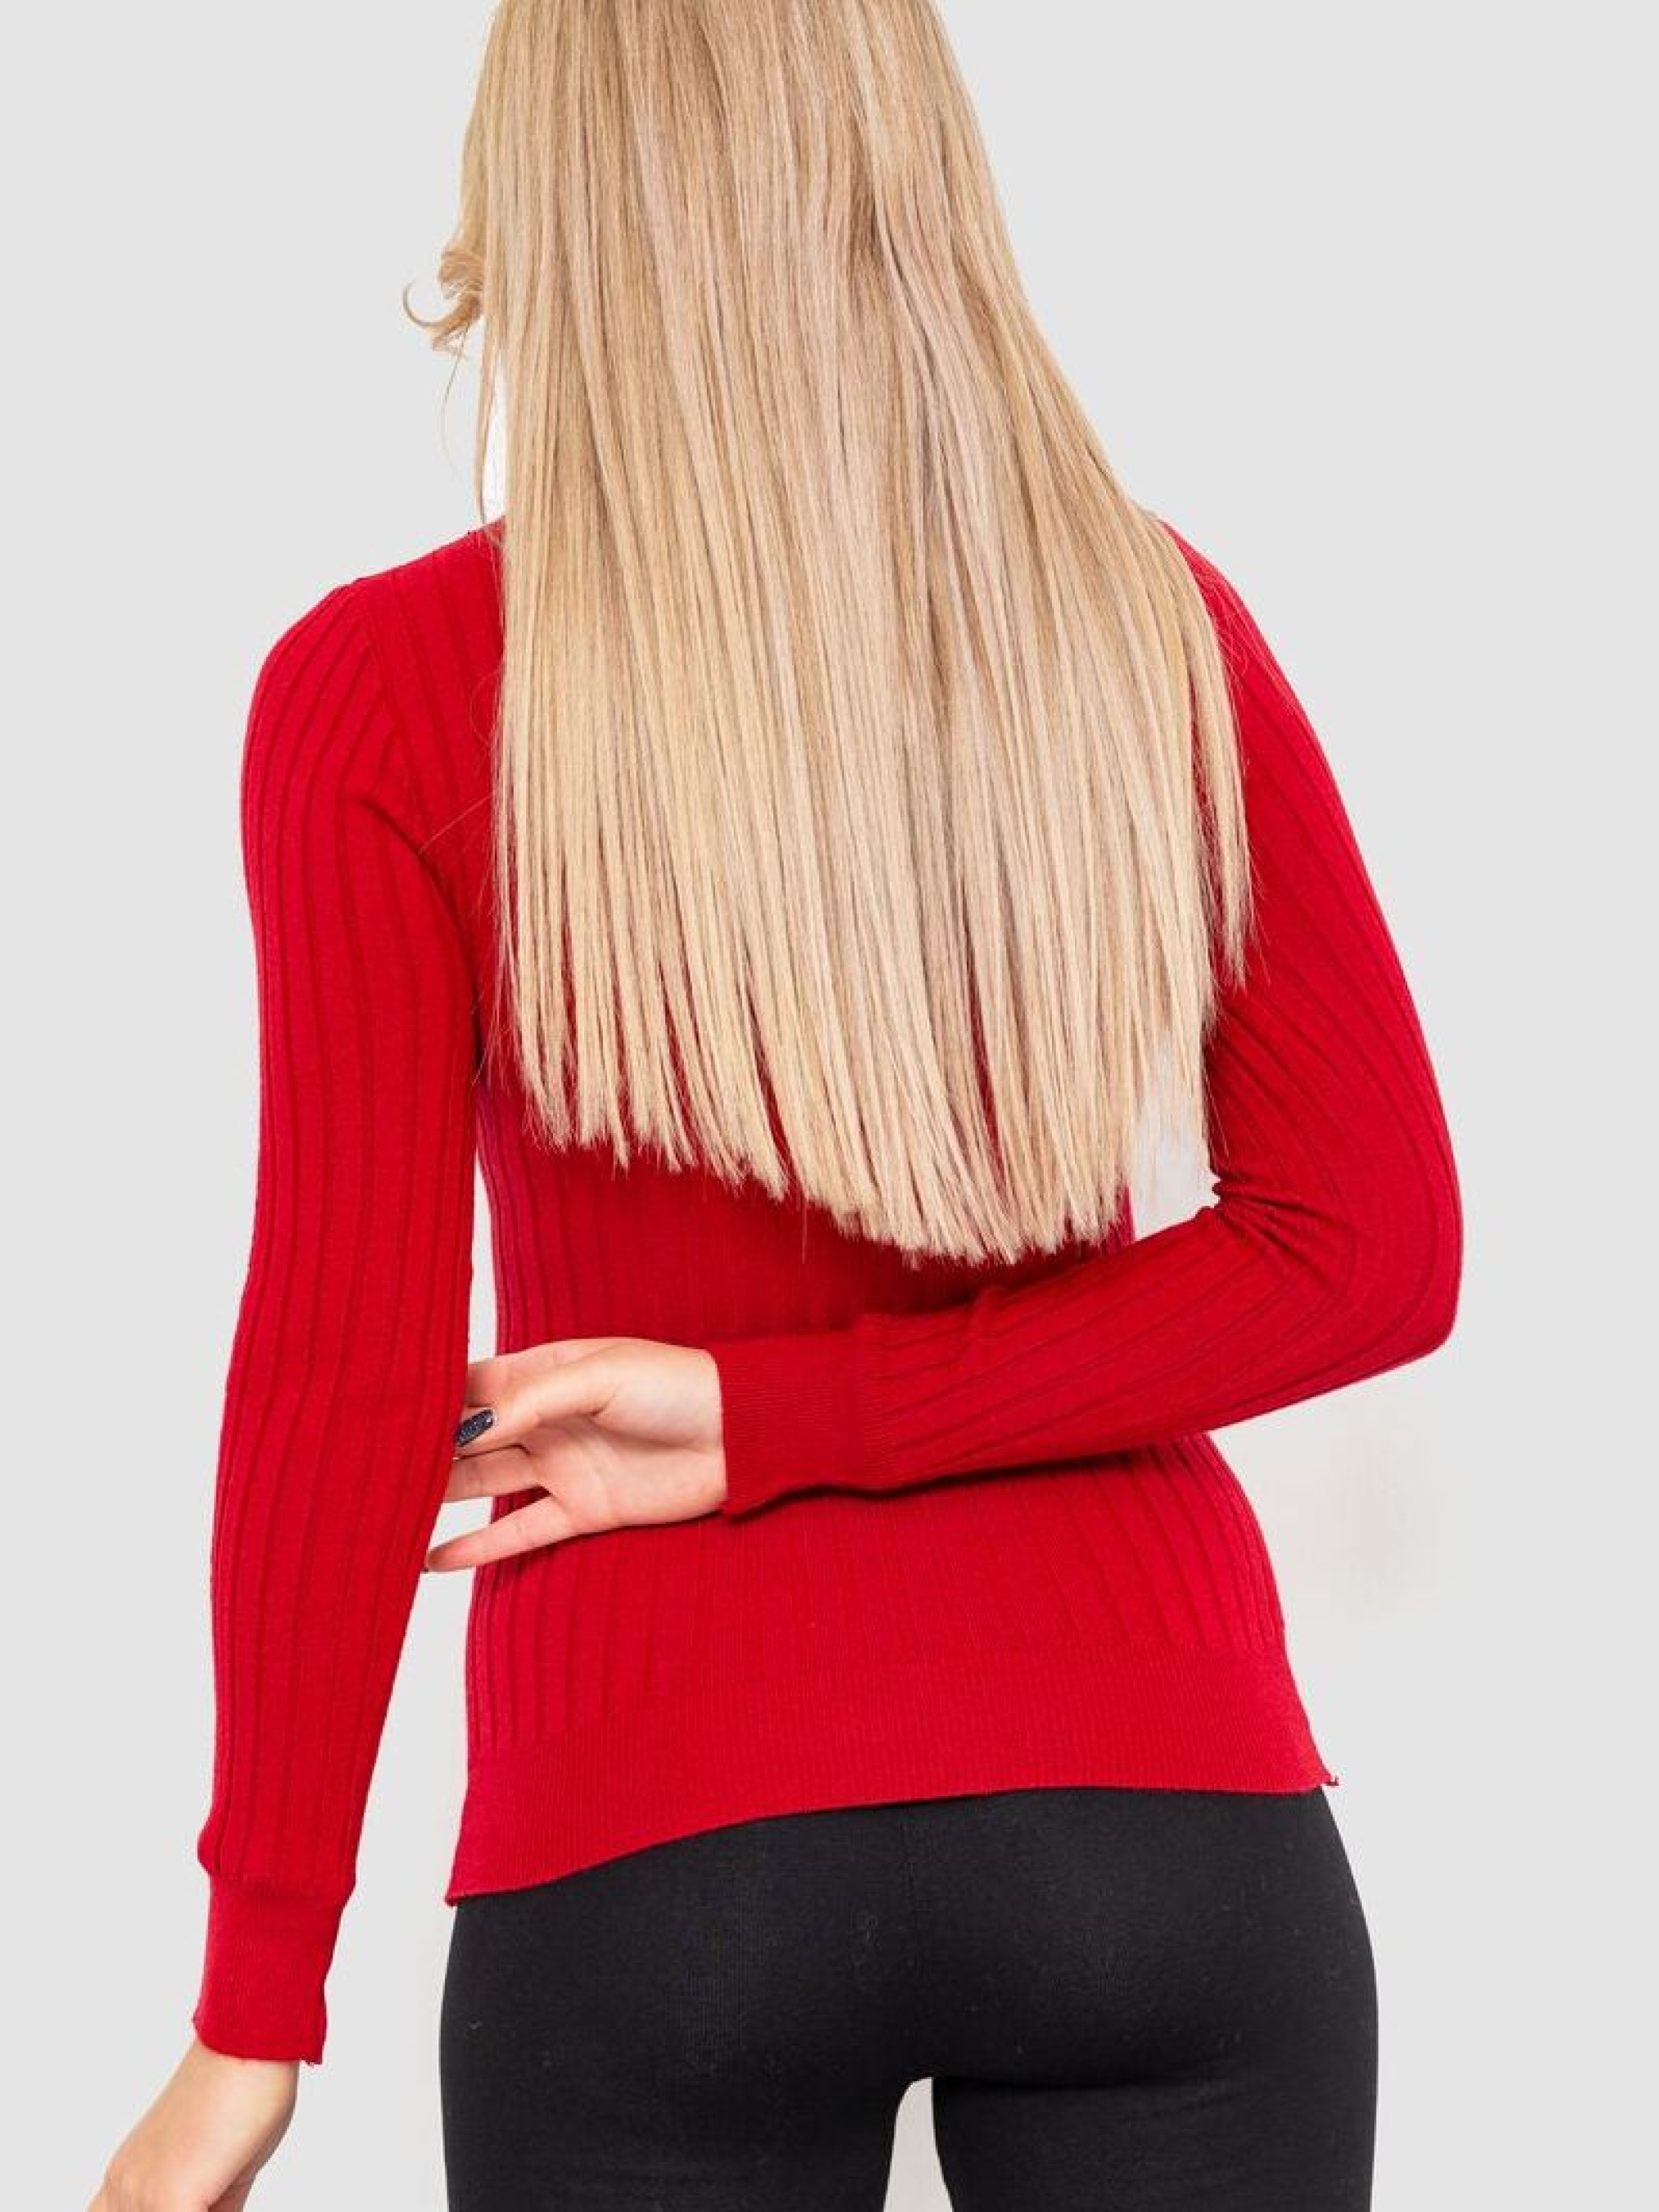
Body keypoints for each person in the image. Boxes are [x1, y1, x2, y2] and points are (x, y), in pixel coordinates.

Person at [91, 2, 1462, 2207]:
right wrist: (796, 1412)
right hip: (1167, 1833)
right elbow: (1361, 1247)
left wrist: (254, 2009)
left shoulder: (385, 690)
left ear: (545, 212)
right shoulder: (1141, 625)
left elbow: (344, 1374)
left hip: (658, 1867)